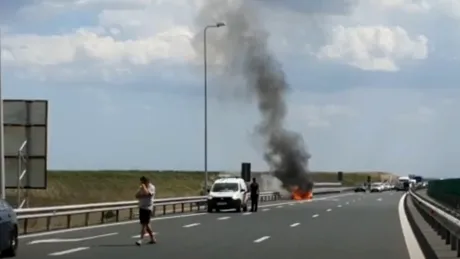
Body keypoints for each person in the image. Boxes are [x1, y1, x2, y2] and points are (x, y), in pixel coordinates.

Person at [135, 176, 157, 246]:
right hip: (142, 207)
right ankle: (153, 238)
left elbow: (147, 194)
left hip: (148, 208)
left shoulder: (151, 187)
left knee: (144, 224)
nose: (141, 183)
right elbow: (136, 195)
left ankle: (140, 239)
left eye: (143, 182)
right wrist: (141, 193)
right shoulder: (141, 187)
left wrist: (144, 188)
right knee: (146, 224)